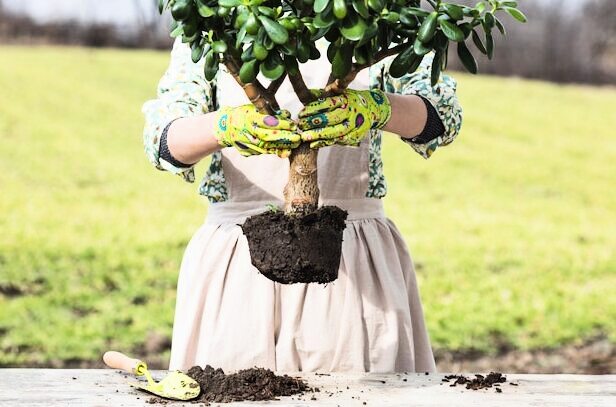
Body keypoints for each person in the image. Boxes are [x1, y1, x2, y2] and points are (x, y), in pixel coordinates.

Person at [142, 37, 462, 373]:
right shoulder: (213, 24)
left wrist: (377, 108)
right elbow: (162, 141)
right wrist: (225, 127)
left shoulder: (379, 19)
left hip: (351, 262)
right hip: (237, 267)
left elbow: (442, 117)